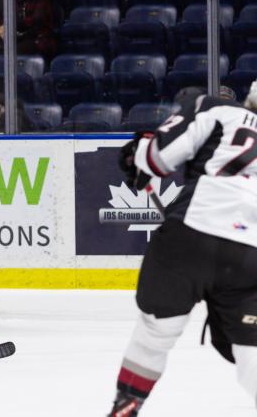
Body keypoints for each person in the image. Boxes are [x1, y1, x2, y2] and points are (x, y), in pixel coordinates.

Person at [109, 84, 257, 416]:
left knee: (155, 331)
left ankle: (126, 405)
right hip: (251, 255)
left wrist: (137, 154)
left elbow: (158, 158)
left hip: (191, 232)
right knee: (252, 351)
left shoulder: (218, 108)